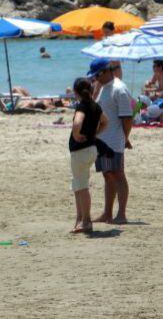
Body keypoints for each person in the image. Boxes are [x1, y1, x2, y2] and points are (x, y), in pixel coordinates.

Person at [88, 58, 133, 224]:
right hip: (102, 140)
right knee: (108, 176)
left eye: (96, 75)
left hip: (113, 141)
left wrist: (125, 139)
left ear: (106, 71)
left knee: (118, 175)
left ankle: (121, 214)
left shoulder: (119, 89)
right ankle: (107, 213)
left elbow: (127, 118)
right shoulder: (103, 87)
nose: (95, 78)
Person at [68, 78, 109, 234]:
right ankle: (80, 219)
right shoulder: (96, 106)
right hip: (91, 149)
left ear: (76, 92)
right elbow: (106, 122)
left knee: (82, 186)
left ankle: (86, 221)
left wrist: (77, 134)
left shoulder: (82, 106)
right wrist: (94, 134)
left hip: (80, 151)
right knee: (78, 185)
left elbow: (77, 123)